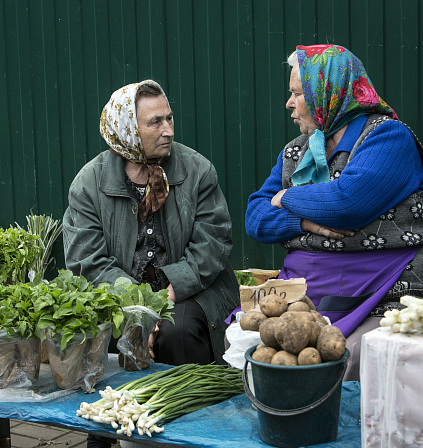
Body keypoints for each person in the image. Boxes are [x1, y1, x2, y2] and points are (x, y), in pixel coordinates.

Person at [245, 44, 423, 381]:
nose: (289, 103)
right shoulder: (297, 150)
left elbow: (346, 205)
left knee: (341, 361)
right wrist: (301, 220)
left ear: (327, 93)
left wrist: (284, 196)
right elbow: (254, 217)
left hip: (384, 289)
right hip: (306, 294)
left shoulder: (388, 137)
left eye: (298, 93)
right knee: (250, 345)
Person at [64, 79, 240, 447]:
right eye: (154, 122)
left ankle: (182, 432)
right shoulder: (89, 184)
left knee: (176, 332)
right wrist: (139, 307)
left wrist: (168, 296)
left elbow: (213, 243)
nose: (168, 130)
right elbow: (88, 261)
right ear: (127, 129)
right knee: (96, 332)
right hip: (122, 296)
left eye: (170, 118)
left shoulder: (196, 171)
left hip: (191, 291)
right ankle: (106, 427)